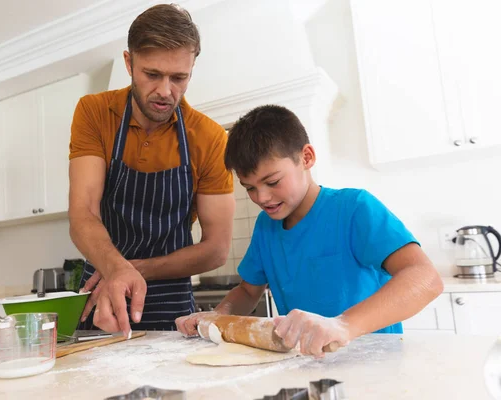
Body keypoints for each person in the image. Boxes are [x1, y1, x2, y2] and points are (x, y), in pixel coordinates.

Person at [176, 105, 443, 357]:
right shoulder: (266, 228)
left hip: (373, 362)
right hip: (307, 363)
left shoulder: (353, 209)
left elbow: (425, 278)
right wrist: (218, 317)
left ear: (306, 158)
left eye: (272, 181)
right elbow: (248, 291)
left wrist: (342, 326)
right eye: (250, 188)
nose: (262, 197)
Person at [68, 4, 235, 335]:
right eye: (152, 74)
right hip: (102, 297)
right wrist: (114, 270)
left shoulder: (209, 138)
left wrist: (129, 270)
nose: (165, 91)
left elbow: (216, 249)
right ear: (129, 63)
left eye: (179, 78)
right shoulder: (95, 112)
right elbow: (82, 213)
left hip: (170, 303)